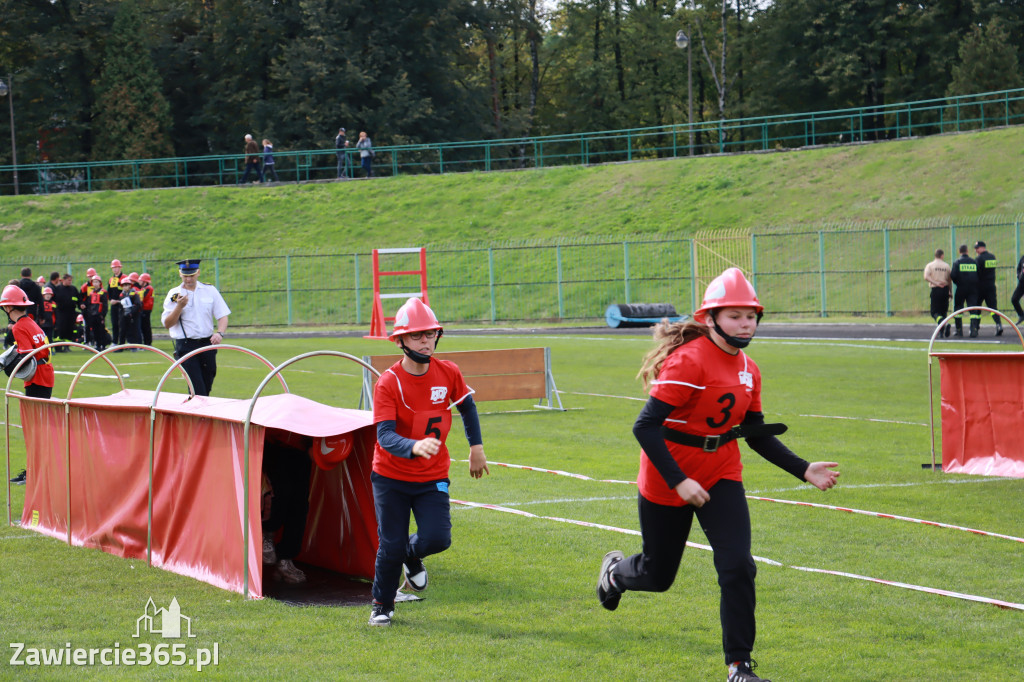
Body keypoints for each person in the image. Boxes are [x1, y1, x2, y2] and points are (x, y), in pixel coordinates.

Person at [595, 268, 840, 682]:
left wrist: (803, 469)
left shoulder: (750, 368)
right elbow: (645, 427)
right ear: (710, 319)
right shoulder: (688, 361)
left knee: (738, 567)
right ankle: (615, 574)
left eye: (751, 316)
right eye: (735, 316)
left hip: (721, 471)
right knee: (658, 576)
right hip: (667, 474)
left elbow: (755, 435)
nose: (746, 324)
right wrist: (679, 480)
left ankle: (738, 665)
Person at [368, 297, 489, 627]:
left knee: (438, 538)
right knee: (390, 545)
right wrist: (413, 446)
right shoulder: (388, 383)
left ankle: (413, 554)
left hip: (432, 475)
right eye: (418, 335)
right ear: (401, 340)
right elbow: (385, 436)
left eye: (431, 333)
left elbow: (467, 407)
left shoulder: (448, 371)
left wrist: (476, 447)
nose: (426, 340)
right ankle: (382, 605)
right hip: (390, 477)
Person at [161, 259, 230, 397]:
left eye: (191, 275)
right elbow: (167, 323)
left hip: (207, 343)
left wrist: (220, 333)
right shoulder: (174, 294)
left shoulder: (209, 290)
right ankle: (199, 416)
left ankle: (197, 411)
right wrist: (179, 307)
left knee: (207, 382)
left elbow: (222, 315)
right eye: (185, 275)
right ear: (180, 274)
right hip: (186, 344)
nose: (188, 279)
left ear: (198, 272)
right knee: (196, 387)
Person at [261, 428, 314, 584]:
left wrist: (314, 444)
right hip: (274, 444)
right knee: (278, 493)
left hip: (302, 446)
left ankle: (286, 559)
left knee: (300, 504)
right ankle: (267, 535)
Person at [0, 284, 55, 400]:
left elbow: (27, 355)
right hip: (47, 373)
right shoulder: (31, 322)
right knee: (43, 413)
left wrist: (10, 367)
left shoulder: (18, 327)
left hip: (36, 378)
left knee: (34, 416)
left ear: (8, 308)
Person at [950, 244, 980, 338]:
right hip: (973, 288)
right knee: (973, 309)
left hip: (961, 288)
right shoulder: (974, 262)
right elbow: (979, 274)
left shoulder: (957, 262)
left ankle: (959, 331)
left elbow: (953, 276)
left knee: (958, 309)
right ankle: (974, 330)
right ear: (967, 251)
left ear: (959, 252)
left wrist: (958, 282)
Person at [974, 240, 1001, 336]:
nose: (976, 250)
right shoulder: (992, 257)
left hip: (981, 287)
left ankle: (975, 328)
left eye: (977, 248)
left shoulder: (978, 259)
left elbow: (977, 273)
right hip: (991, 285)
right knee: (993, 308)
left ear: (982, 247)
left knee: (977, 307)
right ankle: (999, 325)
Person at [923, 248, 952, 337]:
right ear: (942, 255)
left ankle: (943, 324)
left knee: (934, 312)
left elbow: (926, 276)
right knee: (943, 312)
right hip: (945, 290)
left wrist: (935, 282)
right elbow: (949, 280)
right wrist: (950, 292)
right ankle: (941, 333)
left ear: (935, 255)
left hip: (936, 289)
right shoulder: (946, 266)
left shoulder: (930, 265)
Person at [83, 275, 112, 351]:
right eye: (94, 282)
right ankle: (97, 344)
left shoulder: (103, 292)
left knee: (101, 330)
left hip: (99, 315)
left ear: (100, 283)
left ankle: (103, 345)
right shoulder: (91, 293)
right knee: (95, 330)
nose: (95, 283)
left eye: (97, 282)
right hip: (92, 315)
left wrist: (103, 314)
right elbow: (89, 304)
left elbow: (105, 305)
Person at [53, 273, 79, 351]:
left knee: (70, 329)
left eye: (71, 280)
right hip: (61, 313)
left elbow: (78, 298)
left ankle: (67, 346)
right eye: (68, 280)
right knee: (61, 329)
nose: (70, 282)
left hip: (71, 312)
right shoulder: (58, 289)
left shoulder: (73, 289)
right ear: (63, 280)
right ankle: (59, 346)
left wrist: (81, 304)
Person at [118, 276, 142, 348]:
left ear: (130, 285)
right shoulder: (121, 295)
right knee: (122, 330)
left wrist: (132, 312)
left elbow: (138, 304)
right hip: (124, 314)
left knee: (134, 330)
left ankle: (134, 345)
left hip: (133, 315)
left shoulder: (134, 293)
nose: (125, 287)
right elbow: (121, 306)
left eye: (127, 285)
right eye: (124, 285)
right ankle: (121, 346)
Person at [107, 259, 124, 345]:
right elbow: (109, 292)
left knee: (122, 324)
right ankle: (114, 342)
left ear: (120, 268)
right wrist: (111, 300)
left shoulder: (124, 278)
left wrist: (118, 301)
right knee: (114, 323)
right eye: (113, 268)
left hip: (122, 305)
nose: (115, 269)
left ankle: (122, 342)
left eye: (116, 267)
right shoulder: (111, 279)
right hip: (114, 304)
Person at [138, 273, 155, 345]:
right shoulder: (144, 288)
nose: (139, 282)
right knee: (143, 326)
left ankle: (148, 343)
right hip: (144, 309)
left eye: (141, 280)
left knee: (146, 326)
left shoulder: (149, 288)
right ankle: (146, 342)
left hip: (146, 309)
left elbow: (143, 298)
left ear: (145, 282)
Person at [1012, 253, 1024, 326]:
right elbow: (1019, 268)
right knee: (1014, 299)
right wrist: (1019, 276)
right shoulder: (1023, 258)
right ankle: (1021, 315)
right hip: (1022, 283)